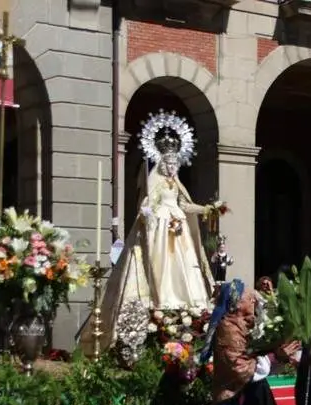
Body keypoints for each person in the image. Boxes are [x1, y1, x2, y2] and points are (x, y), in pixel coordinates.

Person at [82, 119, 224, 352]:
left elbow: (185, 206)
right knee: (162, 269)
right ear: (161, 162)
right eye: (168, 163)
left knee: (186, 270)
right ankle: (160, 304)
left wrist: (208, 209)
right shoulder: (155, 182)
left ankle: (189, 310)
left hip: (179, 234)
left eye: (175, 164)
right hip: (160, 233)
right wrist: (153, 216)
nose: (172, 168)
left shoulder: (175, 184)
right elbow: (146, 207)